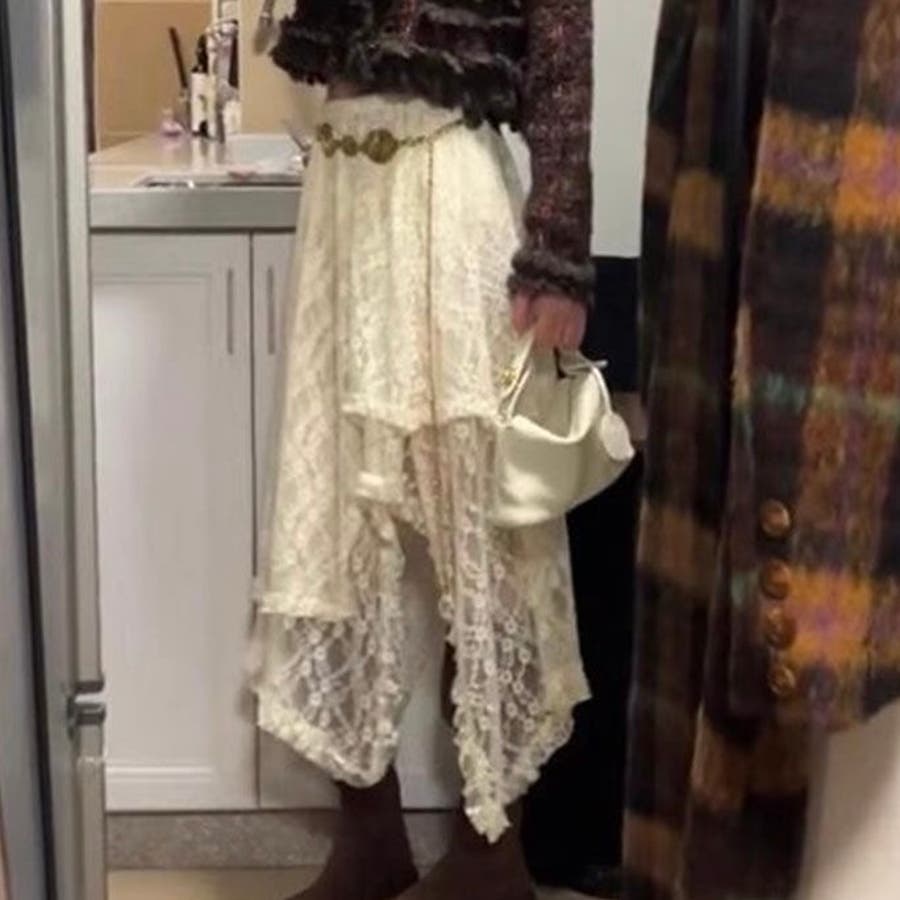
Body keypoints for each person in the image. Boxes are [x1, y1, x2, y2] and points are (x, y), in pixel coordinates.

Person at [248, 2, 594, 898]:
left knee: (488, 541)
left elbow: (563, 57)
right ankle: (369, 841)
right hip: (341, 196)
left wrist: (558, 255)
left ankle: (491, 856)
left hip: (451, 195)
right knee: (330, 531)